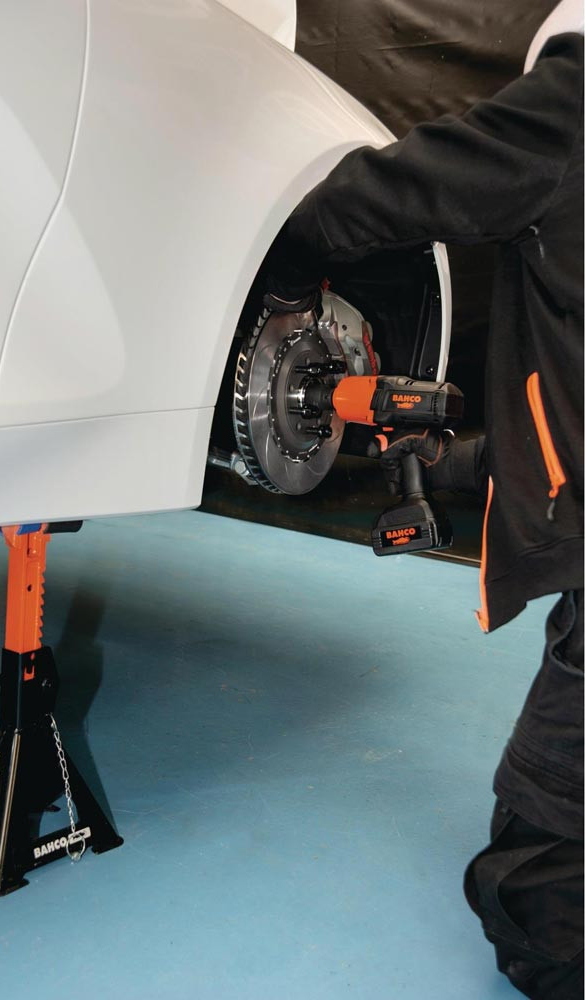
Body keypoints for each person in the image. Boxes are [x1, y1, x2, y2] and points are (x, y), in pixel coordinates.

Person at [265, 6, 583, 999]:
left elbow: (403, 189)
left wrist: (282, 256)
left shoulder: (574, 103)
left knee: (543, 875)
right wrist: (454, 464)